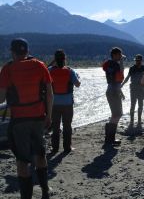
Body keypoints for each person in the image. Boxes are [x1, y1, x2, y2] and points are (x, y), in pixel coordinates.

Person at [0, 38, 53, 199]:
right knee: (40, 153)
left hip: (19, 120)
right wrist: (49, 115)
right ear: (27, 51)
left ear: (12, 52)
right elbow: (50, 94)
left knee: (23, 160)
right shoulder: (40, 65)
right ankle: (45, 189)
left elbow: (1, 98)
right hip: (38, 117)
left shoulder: (7, 69)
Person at [48, 50, 81, 154]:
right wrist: (77, 77)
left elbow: (43, 76)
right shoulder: (70, 71)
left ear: (55, 59)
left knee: (55, 126)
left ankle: (55, 148)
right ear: (64, 59)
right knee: (67, 125)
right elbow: (77, 84)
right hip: (67, 104)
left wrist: (52, 62)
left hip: (54, 103)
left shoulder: (49, 70)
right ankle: (67, 147)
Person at [102, 47, 125, 146]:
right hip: (114, 91)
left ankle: (109, 138)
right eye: (120, 55)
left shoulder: (109, 64)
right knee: (118, 114)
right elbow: (119, 78)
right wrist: (119, 92)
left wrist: (121, 92)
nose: (121, 57)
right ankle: (110, 138)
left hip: (110, 90)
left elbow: (115, 79)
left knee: (115, 114)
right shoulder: (115, 64)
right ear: (115, 55)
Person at [121, 54, 144, 131]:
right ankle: (131, 121)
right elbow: (128, 77)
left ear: (141, 61)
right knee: (133, 105)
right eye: (136, 60)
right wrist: (122, 84)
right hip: (133, 89)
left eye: (139, 60)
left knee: (140, 105)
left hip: (141, 89)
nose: (137, 61)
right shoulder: (132, 68)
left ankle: (139, 121)